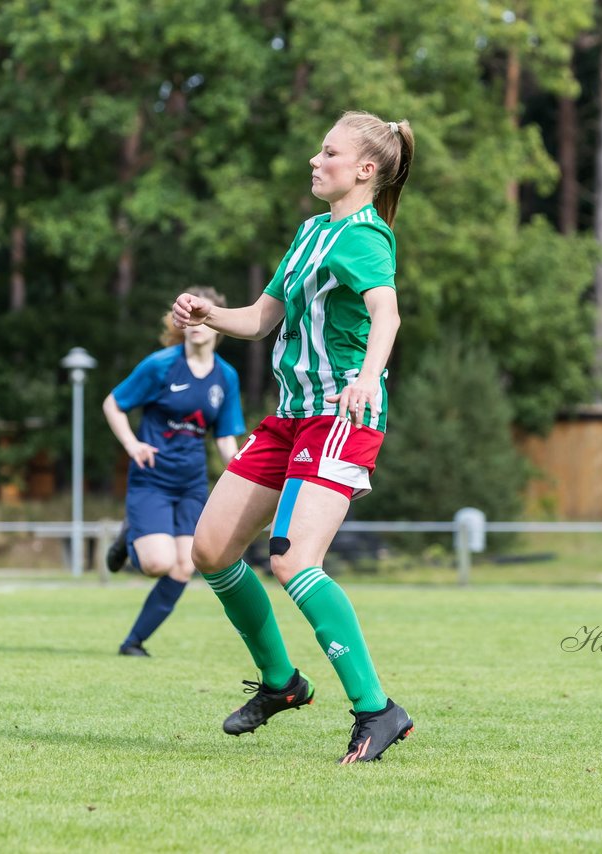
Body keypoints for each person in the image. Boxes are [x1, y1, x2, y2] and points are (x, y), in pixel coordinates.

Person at [170, 111, 415, 764]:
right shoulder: (311, 232)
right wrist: (208, 314)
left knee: (292, 561)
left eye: (328, 152)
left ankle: (377, 710)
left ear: (365, 170)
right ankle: (282, 684)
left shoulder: (366, 236)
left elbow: (385, 313)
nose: (315, 159)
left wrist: (367, 378)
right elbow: (258, 318)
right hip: (290, 416)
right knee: (213, 550)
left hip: (342, 416)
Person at [101, 287, 246, 656]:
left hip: (191, 483)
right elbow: (113, 404)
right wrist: (132, 445)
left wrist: (247, 475)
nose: (196, 323)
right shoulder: (161, 364)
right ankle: (129, 537)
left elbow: (226, 439)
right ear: (181, 323)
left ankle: (133, 642)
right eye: (189, 316)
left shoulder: (226, 377)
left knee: (185, 565)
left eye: (204, 315)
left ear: (217, 326)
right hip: (152, 478)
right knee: (157, 563)